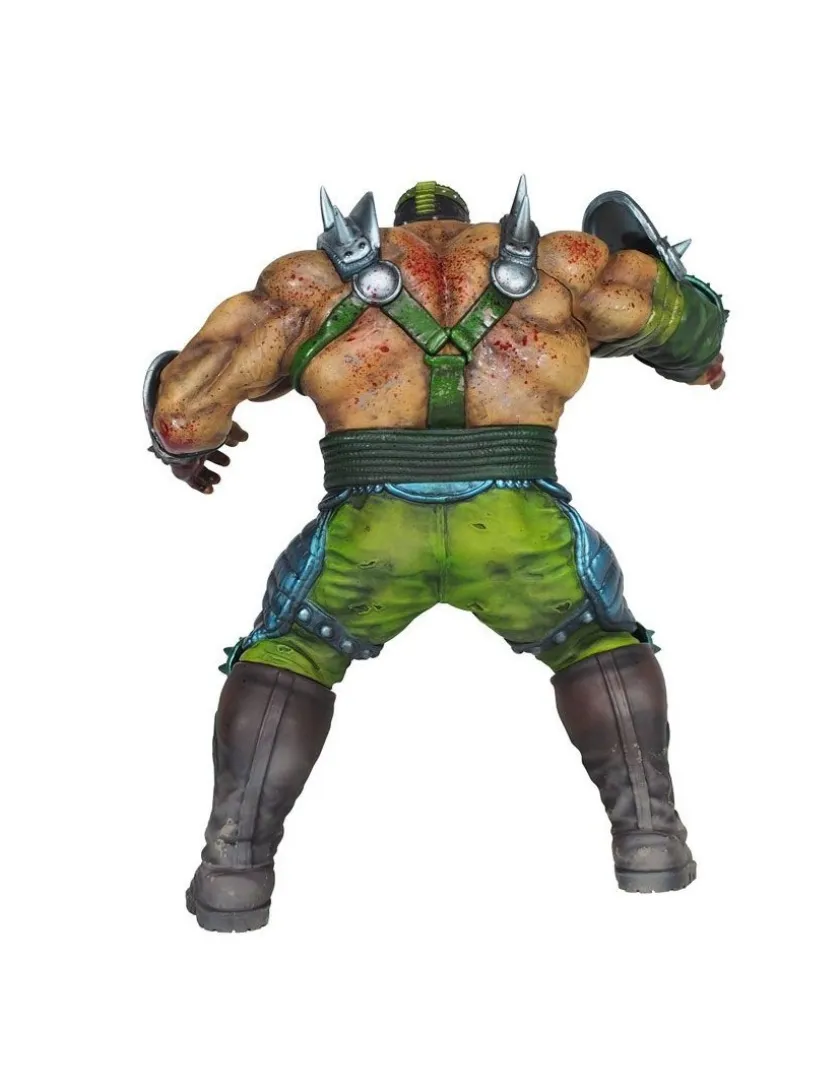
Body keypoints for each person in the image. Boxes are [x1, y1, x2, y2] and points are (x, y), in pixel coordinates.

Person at [144, 178, 727, 931]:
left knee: (291, 651)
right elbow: (688, 330)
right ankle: (652, 842)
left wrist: (185, 446)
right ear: (465, 221)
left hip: (371, 532)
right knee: (596, 639)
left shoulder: (311, 281)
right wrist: (685, 338)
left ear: (398, 227)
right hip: (518, 526)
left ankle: (234, 872)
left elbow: (182, 415)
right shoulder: (562, 264)